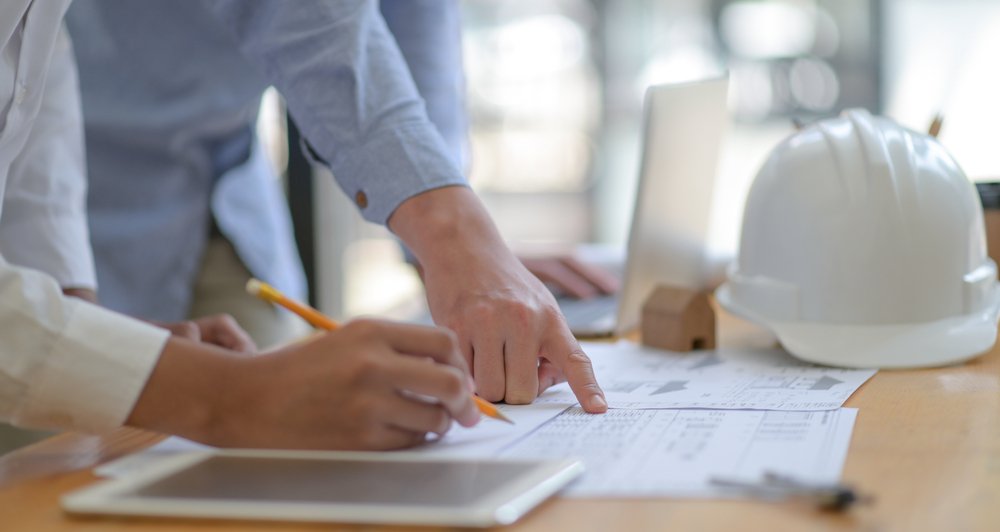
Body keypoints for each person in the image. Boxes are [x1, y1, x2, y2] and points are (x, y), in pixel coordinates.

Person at [0, 1, 604, 452]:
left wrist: (451, 237)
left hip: (215, 189)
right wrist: (231, 398)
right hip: (99, 188)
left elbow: (35, 68)